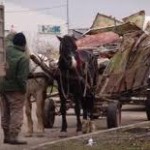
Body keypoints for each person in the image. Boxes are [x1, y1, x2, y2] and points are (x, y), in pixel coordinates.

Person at [0, 32, 30, 145]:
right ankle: (13, 136)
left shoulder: (5, 52)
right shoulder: (23, 58)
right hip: (16, 89)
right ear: (24, 44)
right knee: (16, 112)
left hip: (2, 87)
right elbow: (21, 78)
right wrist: (24, 89)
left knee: (5, 112)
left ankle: (6, 136)